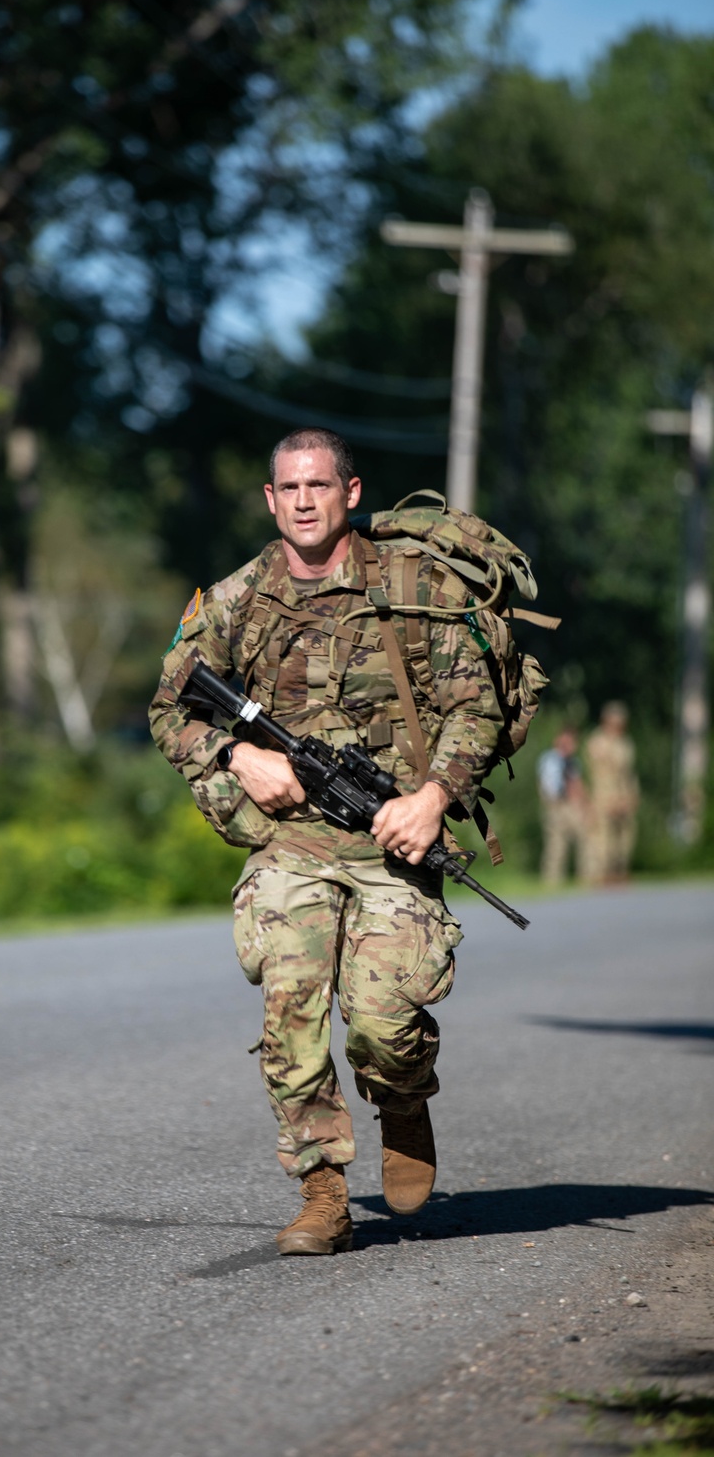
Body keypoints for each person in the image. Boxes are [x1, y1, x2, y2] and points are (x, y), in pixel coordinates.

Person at [149, 428, 504, 1255]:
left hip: (393, 835)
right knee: (290, 1007)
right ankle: (323, 1195)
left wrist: (432, 797)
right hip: (291, 842)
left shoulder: (413, 588)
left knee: (382, 1022)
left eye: (319, 485)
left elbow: (475, 706)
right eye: (288, 488)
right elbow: (169, 709)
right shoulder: (236, 598)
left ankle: (403, 1097)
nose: (304, 500)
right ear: (270, 500)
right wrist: (239, 754)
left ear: (350, 493)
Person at [584, 701, 639, 884]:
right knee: (602, 839)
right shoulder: (597, 741)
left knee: (624, 839)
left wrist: (630, 797)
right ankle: (602, 874)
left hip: (624, 796)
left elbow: (628, 774)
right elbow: (597, 772)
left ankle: (620, 872)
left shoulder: (626, 743)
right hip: (604, 796)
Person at [537, 726, 587, 885]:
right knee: (556, 844)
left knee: (582, 838)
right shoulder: (550, 759)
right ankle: (552, 880)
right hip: (555, 803)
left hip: (570, 804)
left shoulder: (573, 762)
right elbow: (546, 785)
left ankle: (585, 877)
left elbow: (576, 784)